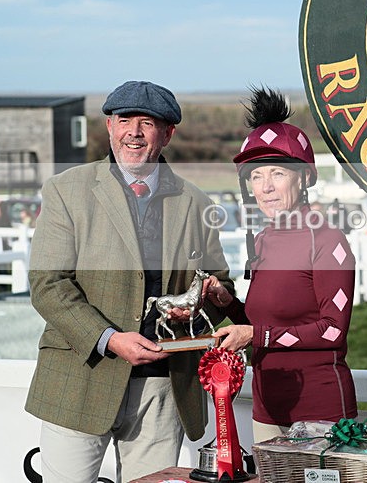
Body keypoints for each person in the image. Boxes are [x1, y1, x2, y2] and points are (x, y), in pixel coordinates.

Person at [26, 81, 245, 483]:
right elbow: (48, 285)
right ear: (109, 127)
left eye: (148, 123)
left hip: (163, 388)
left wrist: (215, 296)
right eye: (124, 120)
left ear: (168, 134)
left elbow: (218, 285)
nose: (134, 132)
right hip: (80, 377)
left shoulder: (197, 203)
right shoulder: (65, 190)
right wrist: (109, 338)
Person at [209, 87, 358, 444]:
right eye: (256, 177)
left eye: (277, 173)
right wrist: (227, 303)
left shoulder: (327, 241)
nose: (266, 188)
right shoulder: (263, 240)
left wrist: (256, 335)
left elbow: (332, 331)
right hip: (267, 410)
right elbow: (263, 325)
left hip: (320, 413)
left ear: (304, 178)